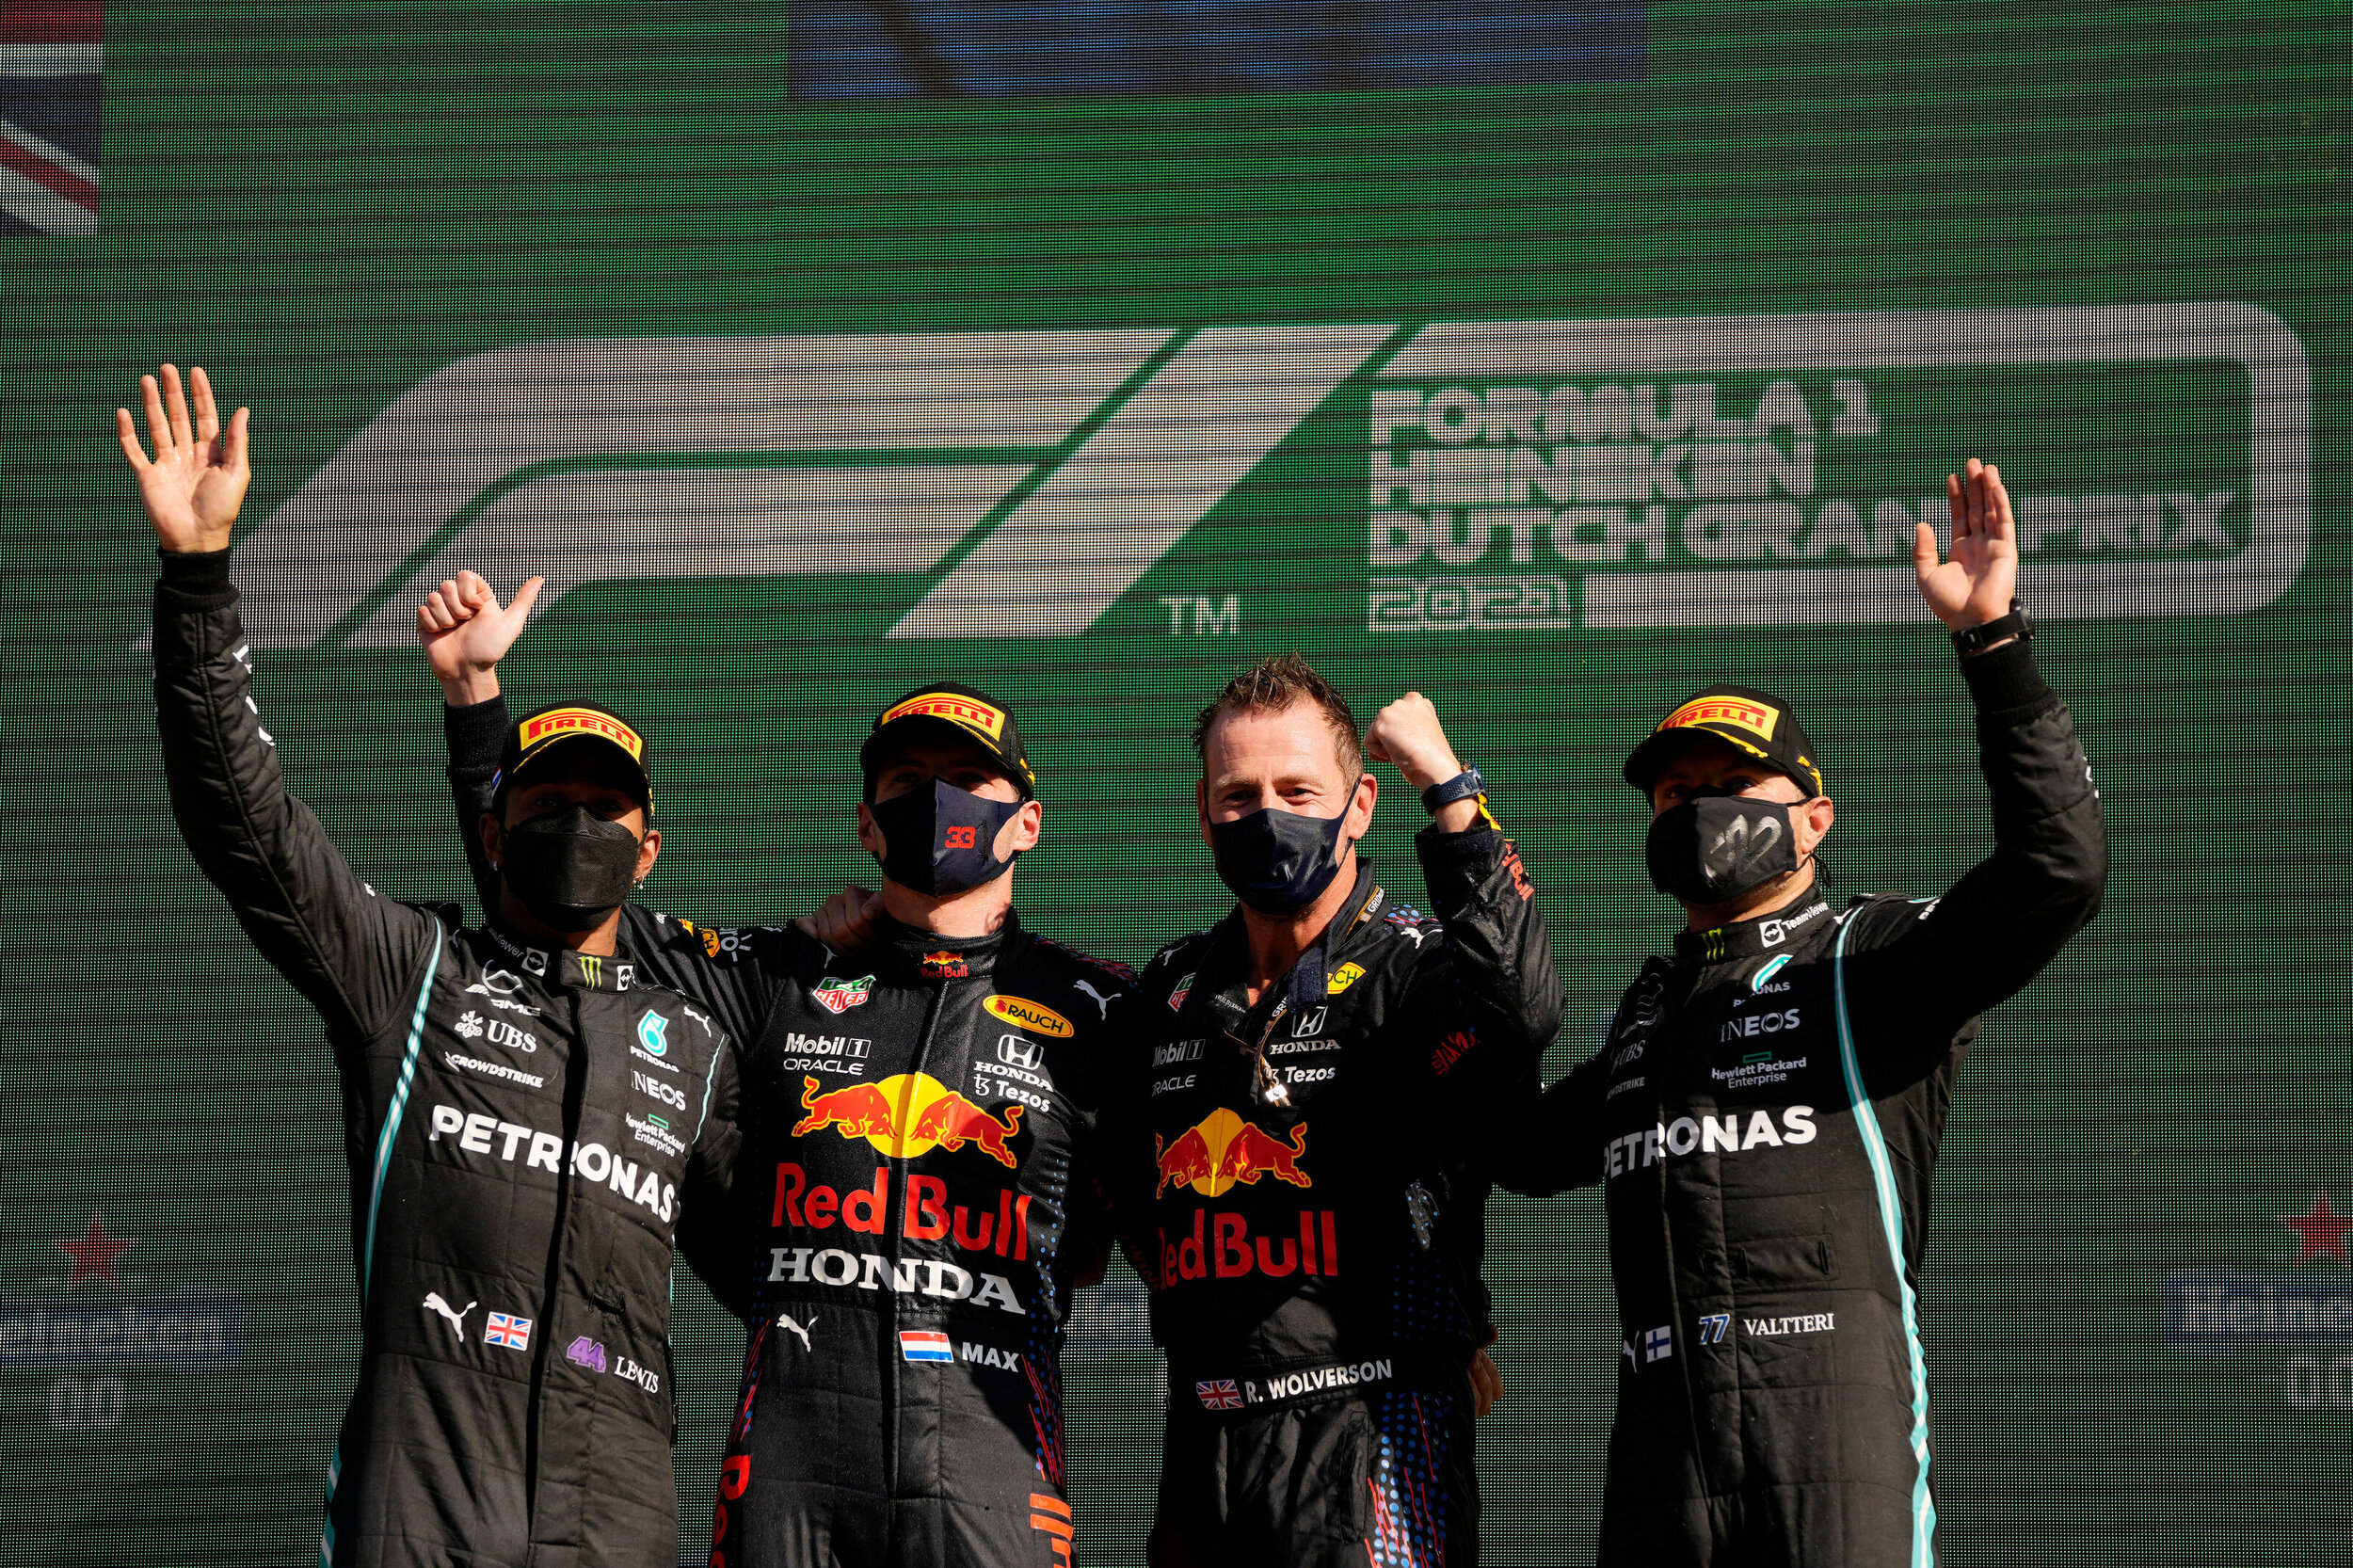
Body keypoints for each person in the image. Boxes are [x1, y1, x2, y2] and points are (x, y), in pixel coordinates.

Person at [122, 363, 742, 1567]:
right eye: (548, 799)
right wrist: (197, 577)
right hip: (421, 1506)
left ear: (649, 849)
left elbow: (791, 1247)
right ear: (494, 825)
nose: (579, 825)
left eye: (606, 807)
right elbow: (242, 822)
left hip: (620, 1512)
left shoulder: (699, 1038)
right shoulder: (414, 975)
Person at [420, 576, 1134, 1568]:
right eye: (905, 780)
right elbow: (551, 901)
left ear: (1028, 820)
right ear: (865, 820)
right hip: (790, 1463)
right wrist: (475, 703)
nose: (934, 798)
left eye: (965, 780)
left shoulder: (1102, 1011)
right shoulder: (777, 977)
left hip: (990, 1460)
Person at [1491, 459, 2107, 1565]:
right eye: (1675, 793)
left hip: (1832, 1436)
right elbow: (1522, 1147)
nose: (1697, 808)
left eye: (1732, 784)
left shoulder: (1867, 959)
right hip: (1659, 1458)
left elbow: (2055, 872)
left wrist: (1995, 646)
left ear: (1813, 819)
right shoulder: (1648, 1014)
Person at [1117, 652, 1562, 1568]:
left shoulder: (1417, 966)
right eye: (1238, 794)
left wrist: (1451, 795)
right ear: (1203, 814)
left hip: (1371, 1432)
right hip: (1204, 1445)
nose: (1267, 813)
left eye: (1298, 787)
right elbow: (1123, 1172)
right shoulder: (1170, 985)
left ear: (1359, 805)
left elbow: (1523, 1012)